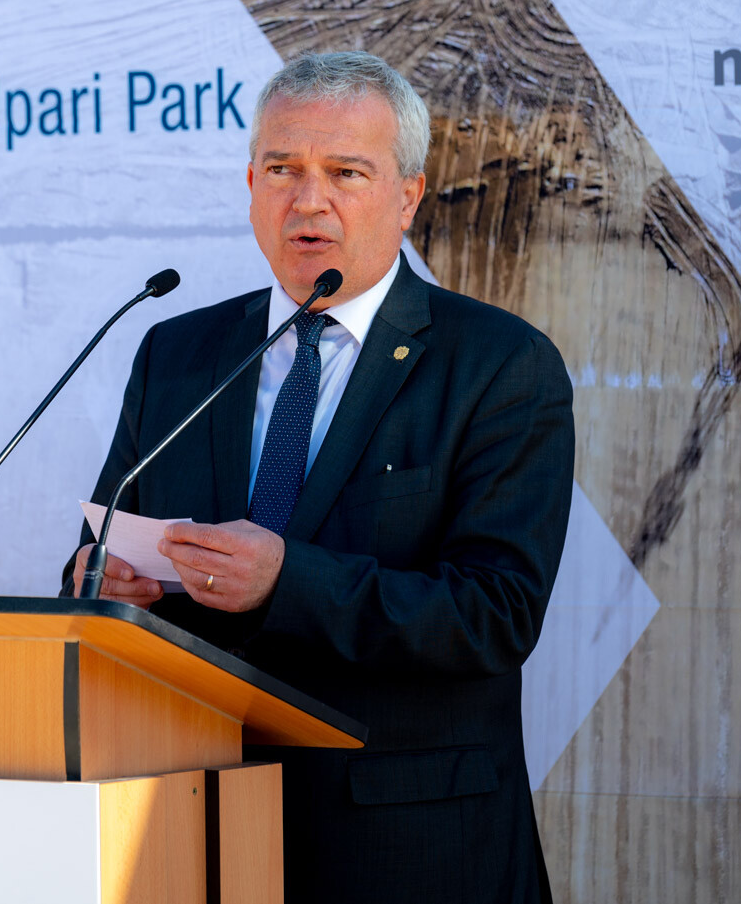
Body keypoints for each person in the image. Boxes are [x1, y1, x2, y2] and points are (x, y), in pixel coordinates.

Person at [61, 51, 574, 903]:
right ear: (250, 187)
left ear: (407, 195)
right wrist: (101, 582)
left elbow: (496, 613)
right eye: (282, 170)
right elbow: (109, 542)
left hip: (406, 849)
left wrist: (286, 581)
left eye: (345, 172)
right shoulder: (178, 354)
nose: (309, 199)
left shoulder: (498, 363)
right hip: (194, 830)